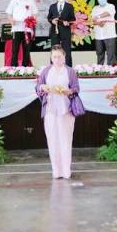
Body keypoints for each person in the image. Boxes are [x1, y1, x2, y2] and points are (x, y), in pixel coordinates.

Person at [36, 45, 83, 179]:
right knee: (52, 140)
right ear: (51, 58)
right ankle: (56, 170)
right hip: (50, 110)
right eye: (54, 57)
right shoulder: (46, 71)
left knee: (66, 139)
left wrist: (69, 91)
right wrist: (42, 87)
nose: (57, 59)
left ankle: (66, 170)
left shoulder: (70, 71)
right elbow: (38, 87)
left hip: (66, 110)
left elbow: (76, 88)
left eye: (59, 57)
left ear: (64, 57)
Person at [6, 0, 38, 67]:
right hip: (16, 28)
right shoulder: (13, 1)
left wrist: (32, 21)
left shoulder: (31, 2)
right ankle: (13, 68)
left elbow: (35, 14)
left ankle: (26, 68)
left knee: (26, 49)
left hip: (27, 29)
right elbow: (9, 14)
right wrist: (11, 20)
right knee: (15, 50)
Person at [47, 0, 76, 66]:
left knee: (67, 50)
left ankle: (68, 67)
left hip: (66, 31)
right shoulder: (52, 6)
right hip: (55, 31)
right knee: (54, 50)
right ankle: (53, 66)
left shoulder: (69, 6)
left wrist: (68, 23)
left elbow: (73, 19)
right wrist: (52, 21)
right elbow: (49, 18)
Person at [91, 0, 117, 65]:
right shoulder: (95, 8)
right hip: (98, 36)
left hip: (109, 35)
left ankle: (111, 71)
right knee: (99, 54)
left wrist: (98, 17)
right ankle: (99, 70)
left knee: (111, 54)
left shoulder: (111, 6)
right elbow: (92, 20)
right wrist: (98, 23)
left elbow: (108, 13)